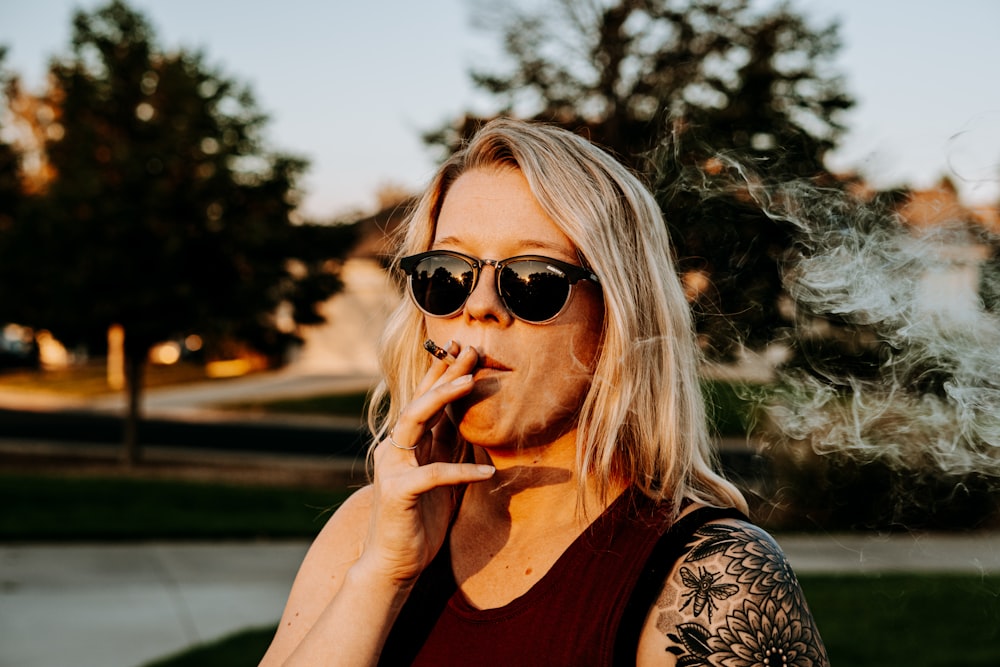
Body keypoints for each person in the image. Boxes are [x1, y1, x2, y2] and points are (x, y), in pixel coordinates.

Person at [259, 118, 829, 666]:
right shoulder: (369, 530)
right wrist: (383, 575)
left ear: (618, 320)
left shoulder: (712, 582)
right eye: (446, 275)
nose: (478, 306)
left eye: (533, 280)